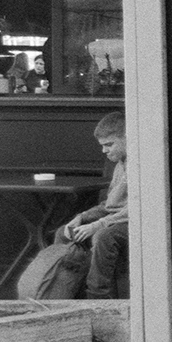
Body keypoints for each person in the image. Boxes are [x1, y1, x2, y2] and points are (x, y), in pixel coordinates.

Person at [58, 110, 129, 299]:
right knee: (64, 233)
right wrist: (82, 217)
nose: (104, 151)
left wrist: (98, 225)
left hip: (133, 222)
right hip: (114, 219)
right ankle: (63, 292)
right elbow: (109, 205)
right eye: (102, 146)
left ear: (127, 138)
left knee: (103, 237)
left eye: (109, 144)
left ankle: (98, 297)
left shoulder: (141, 164)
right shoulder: (120, 164)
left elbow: (140, 207)